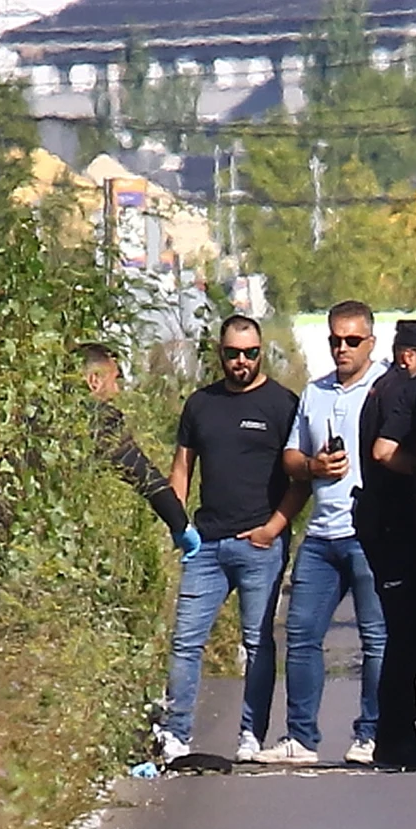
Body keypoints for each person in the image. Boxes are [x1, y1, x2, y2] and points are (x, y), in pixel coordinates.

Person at [158, 316, 305, 762]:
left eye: (250, 353)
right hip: (206, 544)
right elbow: (181, 467)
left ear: (262, 353)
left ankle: (250, 736)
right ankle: (175, 734)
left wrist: (273, 529)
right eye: (232, 353)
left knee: (258, 642)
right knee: (186, 640)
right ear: (219, 353)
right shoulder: (200, 405)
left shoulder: (283, 405)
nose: (241, 361)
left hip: (259, 543)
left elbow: (300, 476)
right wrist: (179, 526)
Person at [255, 300, 391, 766]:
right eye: (335, 340)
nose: (342, 349)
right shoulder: (315, 393)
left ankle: (372, 733)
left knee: (376, 637)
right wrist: (314, 466)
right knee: (301, 634)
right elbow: (291, 458)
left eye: (352, 341)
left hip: (370, 531)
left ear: (371, 342)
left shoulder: (385, 387)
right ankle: (300, 738)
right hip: (321, 534)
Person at [356, 318, 416, 768]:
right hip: (394, 524)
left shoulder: (382, 387)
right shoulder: (399, 389)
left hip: (387, 524)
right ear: (409, 355)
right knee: (410, 634)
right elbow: (382, 451)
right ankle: (396, 735)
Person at [79, 343, 198, 558]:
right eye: (114, 380)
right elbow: (143, 474)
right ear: (94, 381)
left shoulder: (36, 411)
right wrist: (180, 525)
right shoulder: (100, 421)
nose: (117, 390)